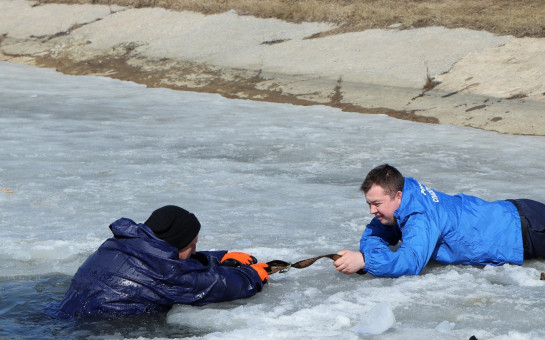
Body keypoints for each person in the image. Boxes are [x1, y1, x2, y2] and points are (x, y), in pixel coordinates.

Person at [45, 205, 269, 318]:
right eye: (193, 244)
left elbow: (170, 262)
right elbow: (214, 284)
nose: (195, 250)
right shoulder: (166, 272)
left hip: (63, 312)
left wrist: (219, 257)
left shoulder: (118, 244)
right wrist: (252, 275)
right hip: (104, 328)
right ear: (178, 243)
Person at [333, 164, 545, 278]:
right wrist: (366, 255)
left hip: (529, 229)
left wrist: (366, 261)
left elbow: (411, 262)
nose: (372, 211)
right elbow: (374, 233)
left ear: (398, 195)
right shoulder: (405, 200)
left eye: (377, 204)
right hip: (513, 214)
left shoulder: (420, 216)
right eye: (369, 204)